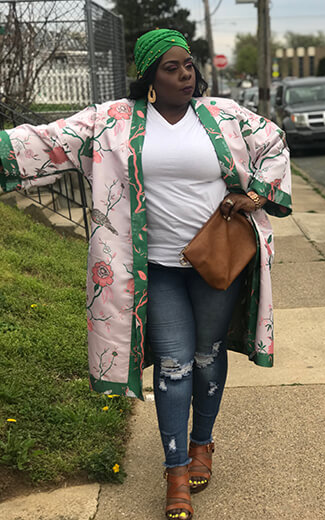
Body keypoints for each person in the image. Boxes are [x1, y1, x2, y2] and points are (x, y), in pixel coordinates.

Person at [0, 28, 292, 520]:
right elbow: (46, 140)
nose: (185, 75)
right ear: (150, 78)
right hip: (155, 268)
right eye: (171, 68)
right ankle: (175, 471)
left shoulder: (223, 115)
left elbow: (274, 143)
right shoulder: (112, 120)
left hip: (216, 261)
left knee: (208, 354)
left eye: (189, 65)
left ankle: (203, 443)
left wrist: (255, 194)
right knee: (174, 364)